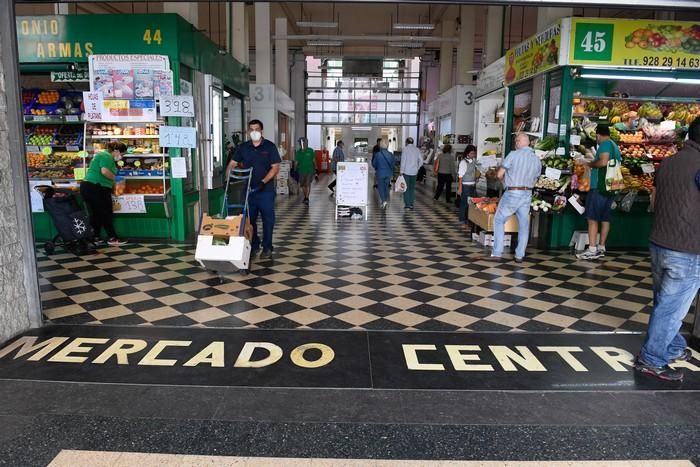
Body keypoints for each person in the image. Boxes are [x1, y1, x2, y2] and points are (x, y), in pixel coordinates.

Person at [635, 117, 700, 382]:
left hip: (659, 242)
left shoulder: (670, 162)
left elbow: (655, 198)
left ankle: (672, 347)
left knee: (665, 301)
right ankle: (651, 359)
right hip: (687, 247)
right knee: (672, 308)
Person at [226, 119, 281, 260]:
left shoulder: (270, 147)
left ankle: (267, 247)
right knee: (250, 220)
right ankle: (254, 245)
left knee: (268, 220)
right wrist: (229, 177)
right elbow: (232, 163)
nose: (254, 132)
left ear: (261, 131)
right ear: (248, 131)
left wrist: (263, 182)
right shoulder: (243, 147)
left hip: (266, 190)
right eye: (251, 129)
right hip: (248, 190)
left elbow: (275, 167)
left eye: (257, 129)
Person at [489, 133, 541, 263]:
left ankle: (497, 252)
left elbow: (500, 174)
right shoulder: (536, 159)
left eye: (516, 141)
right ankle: (519, 255)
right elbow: (536, 180)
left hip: (513, 193)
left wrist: (506, 183)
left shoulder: (513, 154)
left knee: (499, 220)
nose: (516, 143)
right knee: (524, 225)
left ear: (518, 142)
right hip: (527, 194)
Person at [576, 126, 621, 260]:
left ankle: (592, 249)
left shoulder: (605, 145)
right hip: (611, 186)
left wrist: (590, 164)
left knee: (592, 218)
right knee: (605, 218)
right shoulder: (614, 145)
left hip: (600, 187)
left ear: (598, 135)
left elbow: (603, 162)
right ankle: (601, 247)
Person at [80, 141, 128, 247]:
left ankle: (94, 238)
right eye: (122, 154)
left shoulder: (105, 156)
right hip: (96, 187)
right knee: (106, 213)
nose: (121, 157)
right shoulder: (106, 156)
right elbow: (104, 171)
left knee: (97, 214)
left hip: (91, 187)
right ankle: (113, 238)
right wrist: (116, 179)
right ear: (116, 151)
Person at [399, 137, 424, 210]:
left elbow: (403, 161)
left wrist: (401, 171)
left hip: (406, 172)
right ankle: (411, 204)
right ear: (413, 142)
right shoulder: (417, 149)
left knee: (406, 188)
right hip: (414, 172)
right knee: (412, 189)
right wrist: (417, 167)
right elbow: (421, 160)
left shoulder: (405, 149)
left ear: (406, 142)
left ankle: (407, 205)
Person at [457, 145, 479, 228]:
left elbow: (475, 171)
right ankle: (462, 220)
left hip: (472, 185)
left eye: (474, 153)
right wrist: (460, 188)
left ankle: (468, 220)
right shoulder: (463, 162)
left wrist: (476, 178)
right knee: (464, 204)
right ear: (467, 153)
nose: (473, 155)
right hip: (465, 186)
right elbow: (460, 176)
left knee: (471, 204)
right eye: (471, 153)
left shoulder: (474, 161)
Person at [372, 140, 394, 209]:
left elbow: (374, 164)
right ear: (387, 145)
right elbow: (393, 164)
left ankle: (384, 201)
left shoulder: (378, 154)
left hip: (380, 173)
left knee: (381, 187)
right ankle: (384, 200)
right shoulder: (391, 154)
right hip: (388, 173)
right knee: (386, 187)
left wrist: (377, 168)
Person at [294, 137, 315, 205]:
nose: (301, 143)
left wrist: (316, 169)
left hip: (310, 170)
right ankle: (305, 196)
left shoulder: (311, 150)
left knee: (308, 184)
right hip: (301, 171)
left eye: (302, 142)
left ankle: (306, 198)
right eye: (300, 142)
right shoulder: (298, 152)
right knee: (303, 185)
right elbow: (296, 162)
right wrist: (294, 169)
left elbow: (314, 160)